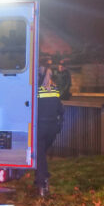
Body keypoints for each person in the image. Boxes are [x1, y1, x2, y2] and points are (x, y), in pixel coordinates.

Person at [35, 66, 64, 198]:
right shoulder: (54, 91)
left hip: (40, 126)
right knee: (41, 154)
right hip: (52, 127)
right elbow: (60, 110)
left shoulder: (35, 92)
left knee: (40, 155)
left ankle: (42, 180)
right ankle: (40, 179)